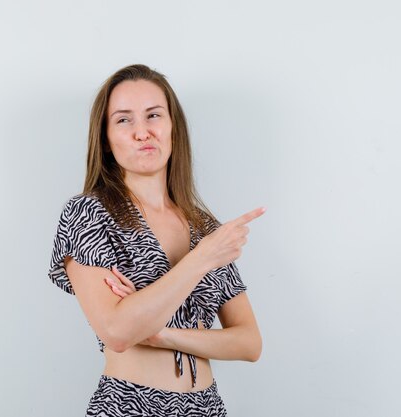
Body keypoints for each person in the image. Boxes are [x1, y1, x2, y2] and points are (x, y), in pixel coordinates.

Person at [48, 64, 265, 417]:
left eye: (153, 116)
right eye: (123, 120)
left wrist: (164, 335)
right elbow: (118, 331)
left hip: (206, 407)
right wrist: (202, 258)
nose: (142, 132)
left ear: (172, 129)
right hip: (130, 404)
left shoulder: (203, 225)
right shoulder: (88, 213)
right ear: (105, 138)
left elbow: (249, 342)